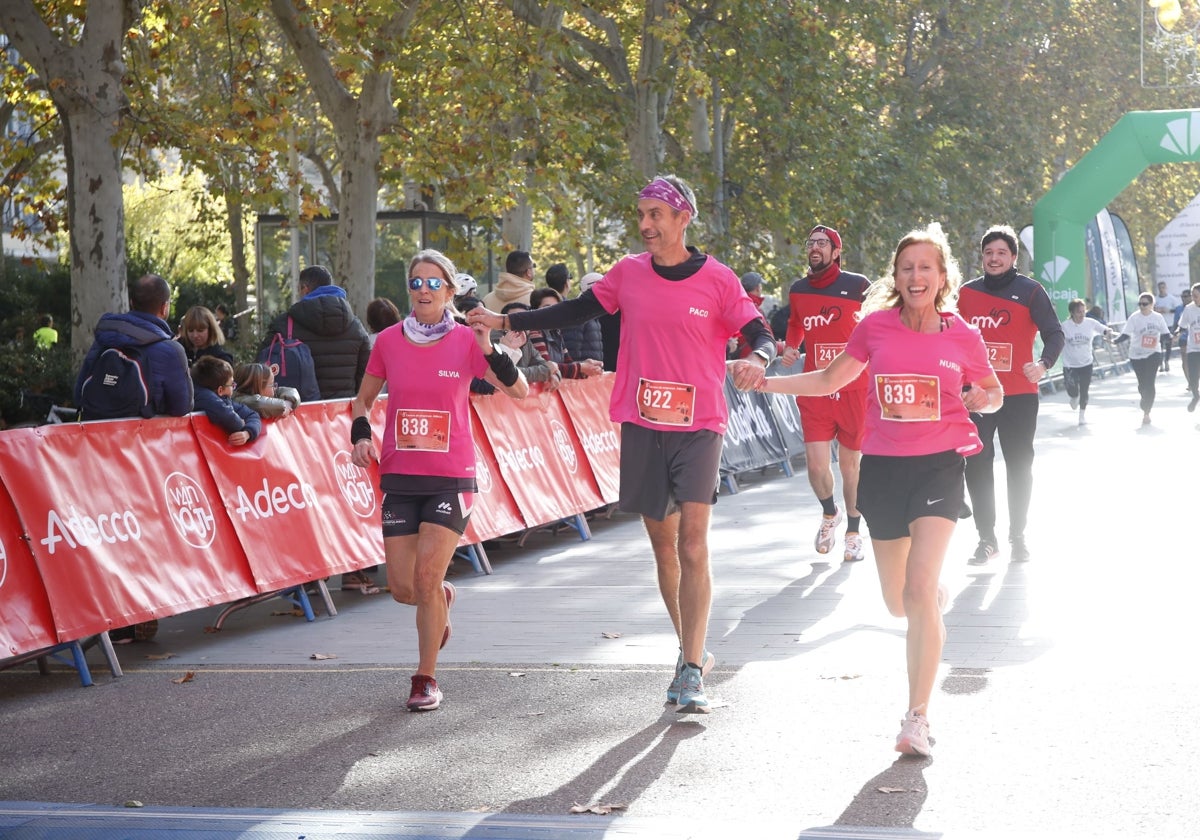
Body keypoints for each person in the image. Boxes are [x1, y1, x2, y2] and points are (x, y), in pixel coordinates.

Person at [468, 174, 776, 714]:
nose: (645, 225)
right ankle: (690, 650)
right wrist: (504, 319)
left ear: (683, 218)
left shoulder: (720, 280)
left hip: (699, 422)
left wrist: (758, 359)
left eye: (656, 214)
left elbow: (759, 332)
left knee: (694, 544)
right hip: (642, 421)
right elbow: (575, 311)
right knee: (663, 545)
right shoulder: (629, 274)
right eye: (642, 214)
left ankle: (692, 666)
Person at [738, 223, 1002, 756]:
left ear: (942, 275)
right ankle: (930, 600)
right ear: (897, 277)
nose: (915, 275)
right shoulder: (875, 328)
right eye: (907, 268)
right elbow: (828, 379)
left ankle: (917, 718)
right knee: (898, 602)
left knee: (919, 589)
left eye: (926, 267)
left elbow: (994, 391)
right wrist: (766, 381)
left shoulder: (962, 335)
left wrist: (982, 399)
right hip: (882, 468)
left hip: (940, 468)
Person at [350, 248, 528, 712]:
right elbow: (361, 401)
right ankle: (442, 599)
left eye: (434, 283)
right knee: (404, 589)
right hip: (400, 476)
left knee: (426, 579)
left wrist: (489, 346)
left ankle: (425, 677)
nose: (423, 290)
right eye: (415, 282)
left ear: (450, 291)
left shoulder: (468, 341)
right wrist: (360, 435)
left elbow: (519, 390)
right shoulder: (388, 341)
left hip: (452, 477)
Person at [957, 225, 1064, 565]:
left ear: (1013, 257)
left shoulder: (1030, 291)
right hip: (977, 395)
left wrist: (1043, 364)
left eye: (1001, 252)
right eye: (989, 253)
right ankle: (986, 539)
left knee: (1019, 465)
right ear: (982, 257)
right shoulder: (966, 294)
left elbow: (1054, 333)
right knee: (976, 463)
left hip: (1019, 393)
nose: (994, 258)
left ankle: (1017, 535)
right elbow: (950, 339)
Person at [781, 224, 873, 562]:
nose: (815, 247)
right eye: (811, 242)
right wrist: (792, 347)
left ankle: (852, 532)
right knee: (817, 468)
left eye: (823, 243)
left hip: (853, 388)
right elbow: (795, 324)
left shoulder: (858, 286)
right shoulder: (799, 289)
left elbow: (878, 322)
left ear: (836, 252)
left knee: (851, 466)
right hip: (816, 388)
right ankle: (829, 513)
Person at [75, 273, 194, 418]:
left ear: (131, 302)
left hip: (95, 433)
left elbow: (79, 391)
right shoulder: (171, 350)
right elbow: (182, 407)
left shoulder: (106, 335)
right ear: (164, 307)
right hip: (140, 438)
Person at [261, 265, 371, 399]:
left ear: (305, 289)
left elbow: (261, 366)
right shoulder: (355, 326)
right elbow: (367, 372)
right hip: (342, 411)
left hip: (298, 412)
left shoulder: (285, 324)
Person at [1115, 292, 1170, 425]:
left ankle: (1147, 412)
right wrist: (1114, 341)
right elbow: (1125, 334)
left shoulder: (1158, 317)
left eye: (1145, 304)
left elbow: (1166, 333)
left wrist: (1170, 338)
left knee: (1150, 383)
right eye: (1139, 304)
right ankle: (1144, 399)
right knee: (1142, 384)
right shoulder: (1135, 318)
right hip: (1136, 355)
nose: (1142, 306)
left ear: (1151, 305)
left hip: (1153, 353)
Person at [528, 287, 604, 381]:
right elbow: (547, 367)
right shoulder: (534, 332)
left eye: (556, 308)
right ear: (535, 311)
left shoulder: (556, 332)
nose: (552, 312)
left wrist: (587, 367)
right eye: (546, 308)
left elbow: (568, 363)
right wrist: (581, 367)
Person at [1059, 298, 1112, 426]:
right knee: (1072, 390)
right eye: (1078, 312)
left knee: (1084, 390)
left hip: (1086, 363)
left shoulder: (1090, 323)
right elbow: (1057, 340)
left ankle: (1082, 415)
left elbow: (1103, 329)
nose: (1082, 314)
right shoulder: (1065, 326)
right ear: (1072, 313)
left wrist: (1108, 333)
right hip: (1070, 364)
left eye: (1083, 311)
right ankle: (1074, 396)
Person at [191, 356, 262, 446]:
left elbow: (252, 415)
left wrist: (248, 433)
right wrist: (240, 423)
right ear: (220, 390)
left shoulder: (226, 400)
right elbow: (226, 415)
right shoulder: (204, 398)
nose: (233, 387)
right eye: (232, 384)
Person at [232, 361, 301, 418]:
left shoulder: (266, 394)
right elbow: (258, 403)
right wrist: (284, 405)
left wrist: (289, 402)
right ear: (259, 386)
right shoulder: (239, 401)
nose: (275, 388)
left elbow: (292, 391)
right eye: (272, 385)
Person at [563, 272, 605, 363]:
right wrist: (578, 370)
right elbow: (572, 348)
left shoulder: (594, 312)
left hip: (593, 371)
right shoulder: (579, 312)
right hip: (582, 372)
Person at [1177, 283, 1200, 412]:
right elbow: (1182, 326)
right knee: (1193, 377)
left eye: (1196, 296)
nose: (1193, 298)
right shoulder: (1189, 309)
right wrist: (1176, 334)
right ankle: (1196, 396)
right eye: (1192, 296)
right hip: (1193, 348)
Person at [1154, 281, 1181, 372]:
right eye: (1160, 288)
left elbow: (1177, 310)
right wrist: (1157, 310)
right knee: (1159, 345)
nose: (1161, 290)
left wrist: (1168, 310)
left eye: (1163, 287)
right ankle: (1160, 363)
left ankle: (1166, 361)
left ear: (1166, 288)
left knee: (1168, 344)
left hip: (1169, 324)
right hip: (1159, 325)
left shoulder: (1171, 299)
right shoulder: (1155, 299)